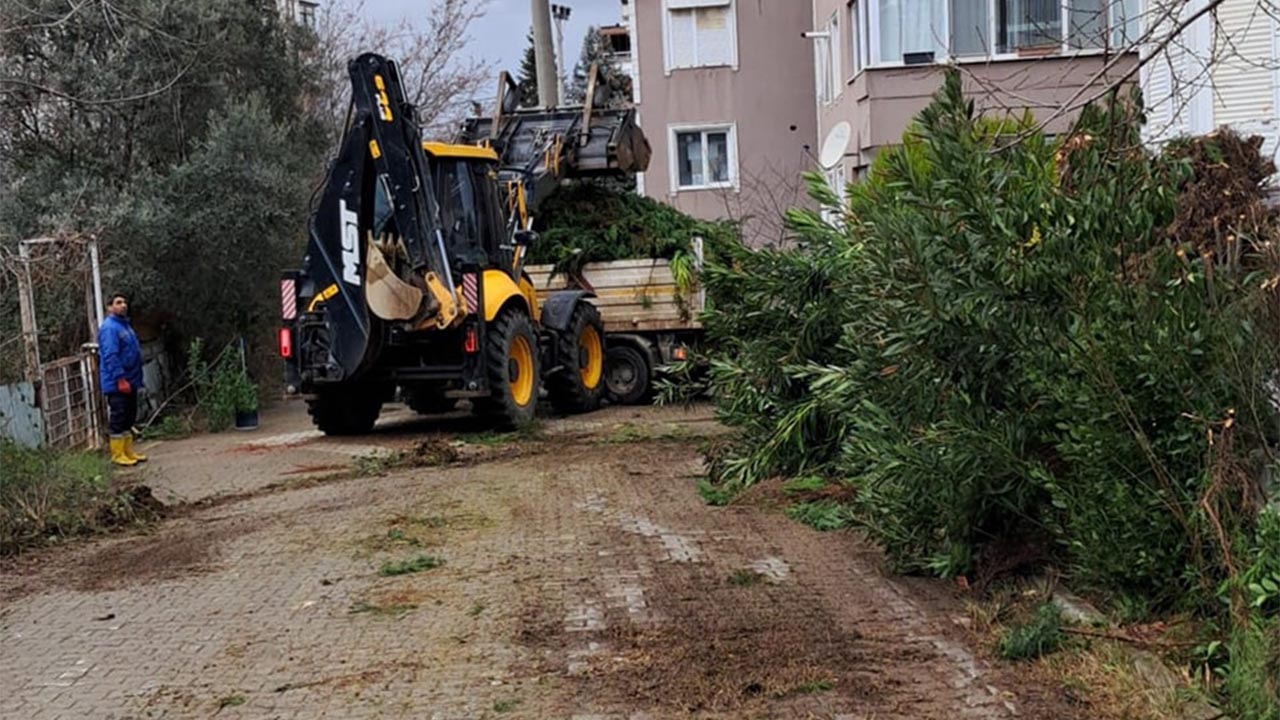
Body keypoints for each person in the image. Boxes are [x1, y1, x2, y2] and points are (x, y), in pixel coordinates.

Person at [97, 293, 147, 466]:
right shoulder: (110, 328)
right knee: (119, 417)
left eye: (124, 302)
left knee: (129, 417)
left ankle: (128, 451)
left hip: (131, 380)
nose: (123, 305)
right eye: (118, 303)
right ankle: (117, 454)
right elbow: (111, 355)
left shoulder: (125, 326)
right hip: (118, 382)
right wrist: (120, 379)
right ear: (109, 307)